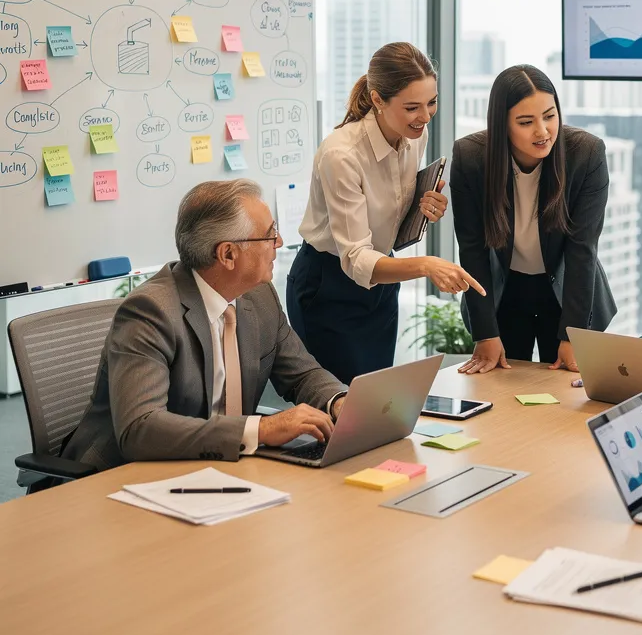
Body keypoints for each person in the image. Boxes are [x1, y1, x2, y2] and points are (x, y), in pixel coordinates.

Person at [63, 180, 348, 472]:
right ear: (227, 254)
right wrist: (259, 430)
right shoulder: (150, 312)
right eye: (269, 234)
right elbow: (140, 428)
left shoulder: (259, 297)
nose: (278, 242)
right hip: (122, 476)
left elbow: (302, 374)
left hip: (220, 466)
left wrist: (340, 402)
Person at [287, 42, 483, 384]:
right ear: (378, 100)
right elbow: (354, 257)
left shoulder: (414, 134)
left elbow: (386, 214)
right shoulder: (342, 155)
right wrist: (426, 265)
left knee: (374, 401)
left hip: (381, 283)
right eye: (412, 107)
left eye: (431, 102)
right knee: (335, 409)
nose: (425, 116)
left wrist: (420, 207)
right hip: (328, 288)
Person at [450, 64, 616, 374]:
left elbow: (583, 249)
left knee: (569, 397)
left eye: (549, 116)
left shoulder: (586, 153)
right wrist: (486, 332)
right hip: (505, 292)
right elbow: (472, 249)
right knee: (502, 393)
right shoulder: (471, 158)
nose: (542, 131)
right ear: (502, 124)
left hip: (568, 291)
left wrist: (573, 335)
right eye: (526, 122)